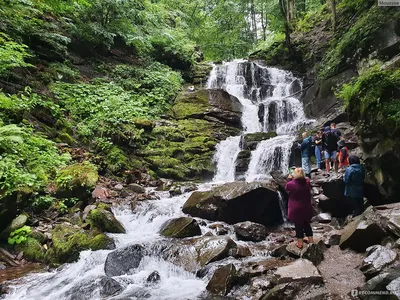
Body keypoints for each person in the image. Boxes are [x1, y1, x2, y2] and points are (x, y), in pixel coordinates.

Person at [286, 168, 313, 249]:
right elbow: (306, 180)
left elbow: (287, 187)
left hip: (296, 208)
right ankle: (311, 240)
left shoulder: (291, 184)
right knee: (306, 223)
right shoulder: (307, 182)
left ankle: (300, 242)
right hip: (306, 207)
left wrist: (289, 178)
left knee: (298, 225)